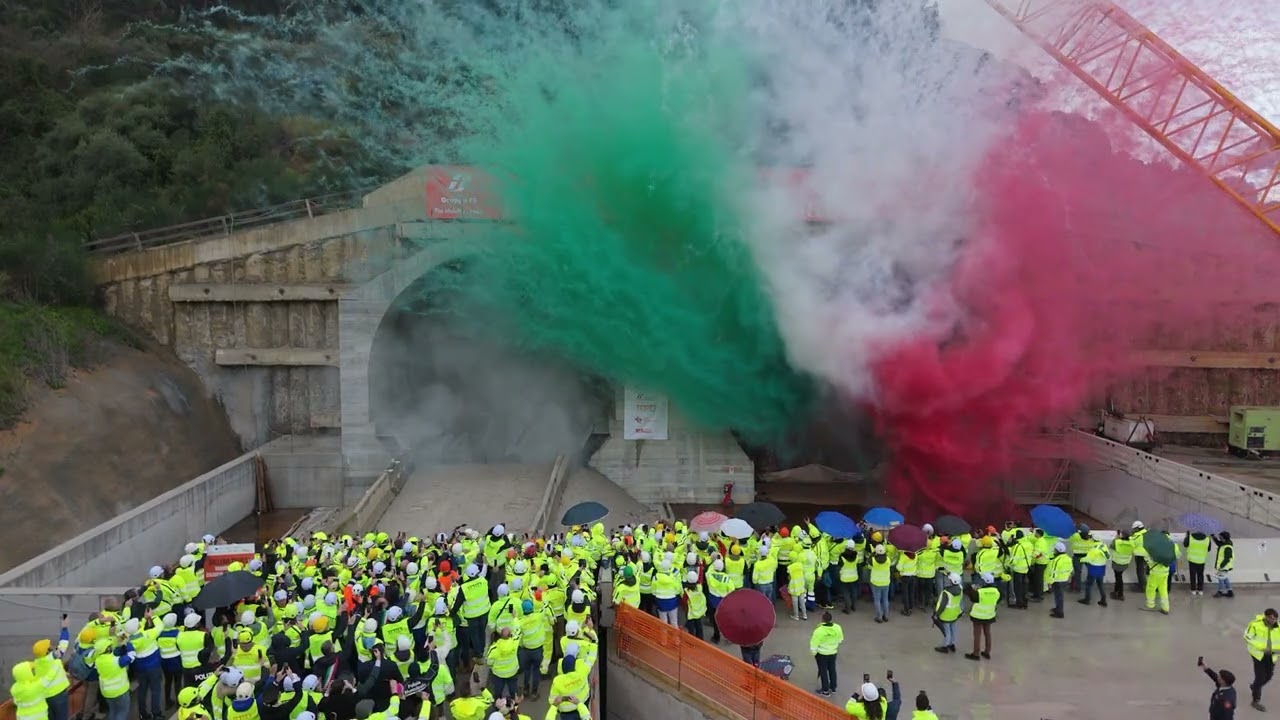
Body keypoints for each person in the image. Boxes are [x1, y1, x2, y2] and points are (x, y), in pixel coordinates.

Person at [1244, 609, 1280, 711]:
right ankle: (1255, 700)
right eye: (1272, 618)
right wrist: (1262, 647)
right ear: (1266, 617)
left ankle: (1255, 687)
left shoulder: (1278, 627)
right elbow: (1247, 637)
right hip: (1258, 655)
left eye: (1276, 619)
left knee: (1268, 676)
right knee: (1260, 677)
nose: (1274, 621)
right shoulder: (1255, 625)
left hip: (1271, 656)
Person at [964, 573, 998, 661]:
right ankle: (987, 652)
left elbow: (971, 597)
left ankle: (976, 654)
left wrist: (971, 588)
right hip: (989, 615)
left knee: (977, 635)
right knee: (988, 633)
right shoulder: (996, 591)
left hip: (978, 616)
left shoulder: (979, 592)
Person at [809, 612, 844, 697]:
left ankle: (825, 690)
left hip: (821, 654)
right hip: (833, 652)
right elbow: (840, 639)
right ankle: (833, 687)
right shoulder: (837, 628)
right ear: (831, 619)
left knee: (823, 671)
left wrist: (814, 653)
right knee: (832, 669)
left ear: (822, 619)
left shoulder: (819, 631)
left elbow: (814, 644)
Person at [932, 573, 962, 654]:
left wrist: (936, 614)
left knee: (947, 631)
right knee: (953, 630)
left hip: (946, 615)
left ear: (951, 581)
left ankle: (945, 646)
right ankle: (952, 644)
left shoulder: (946, 593)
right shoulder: (960, 589)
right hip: (955, 614)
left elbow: (942, 605)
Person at [1185, 530, 1212, 596]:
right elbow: (1208, 549)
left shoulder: (1190, 537)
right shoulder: (1207, 539)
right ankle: (1200, 590)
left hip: (1192, 560)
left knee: (1192, 575)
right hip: (1201, 560)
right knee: (1200, 575)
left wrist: (1187, 536)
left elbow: (1185, 545)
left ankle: (1193, 589)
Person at [1213, 533, 1235, 598]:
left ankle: (1220, 592)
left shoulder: (1227, 547)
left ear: (1223, 538)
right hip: (1225, 566)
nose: (1219, 538)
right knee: (1225, 578)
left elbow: (1227, 558)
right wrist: (1213, 537)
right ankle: (1230, 591)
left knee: (1221, 579)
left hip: (1224, 566)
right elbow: (1218, 543)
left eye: (1220, 537)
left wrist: (1221, 566)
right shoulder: (1225, 544)